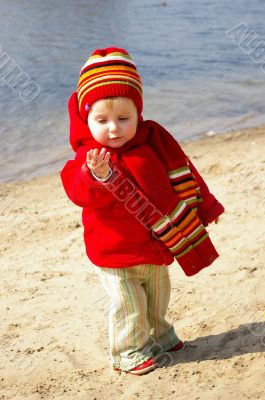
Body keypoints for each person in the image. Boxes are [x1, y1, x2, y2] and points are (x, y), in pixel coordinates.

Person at [60, 47, 225, 375]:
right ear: (85, 119)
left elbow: (185, 173)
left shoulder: (154, 143)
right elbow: (80, 192)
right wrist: (96, 175)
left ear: (138, 114)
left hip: (157, 244)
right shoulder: (88, 159)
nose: (114, 128)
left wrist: (205, 206)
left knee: (157, 298)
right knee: (128, 306)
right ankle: (127, 351)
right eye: (102, 120)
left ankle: (160, 336)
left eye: (124, 118)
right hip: (115, 252)